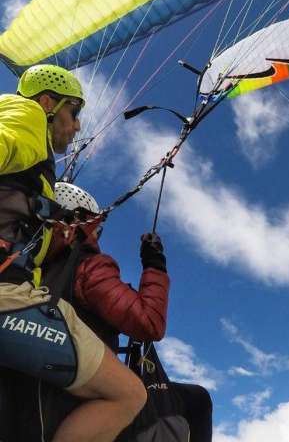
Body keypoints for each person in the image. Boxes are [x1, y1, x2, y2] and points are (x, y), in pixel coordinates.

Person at [0, 64, 146, 442]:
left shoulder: (33, 167)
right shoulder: (26, 114)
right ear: (48, 102)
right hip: (7, 296)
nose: (78, 125)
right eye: (74, 111)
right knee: (128, 395)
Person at [43, 182, 213, 442]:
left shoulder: (32, 267)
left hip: (40, 388)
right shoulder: (88, 267)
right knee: (197, 399)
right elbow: (148, 323)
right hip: (81, 397)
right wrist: (155, 263)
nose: (97, 235)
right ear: (78, 221)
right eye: (96, 227)